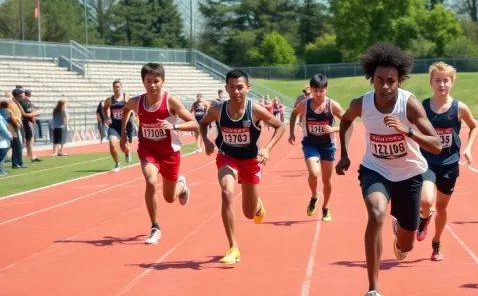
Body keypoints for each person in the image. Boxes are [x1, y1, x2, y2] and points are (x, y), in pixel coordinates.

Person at [336, 42, 441, 296]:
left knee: (406, 245)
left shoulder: (410, 104)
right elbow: (346, 121)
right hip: (376, 169)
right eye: (380, 81)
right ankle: (373, 291)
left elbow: (437, 144)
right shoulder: (362, 103)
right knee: (376, 212)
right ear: (372, 79)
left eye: (391, 81)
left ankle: (402, 233)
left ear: (400, 81)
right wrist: (345, 154)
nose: (385, 87)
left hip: (409, 174)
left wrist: (408, 131)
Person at [199, 69, 286, 264]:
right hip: (226, 156)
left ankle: (257, 205)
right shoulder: (217, 110)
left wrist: (268, 149)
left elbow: (281, 126)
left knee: (249, 213)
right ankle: (233, 247)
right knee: (227, 192)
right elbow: (203, 123)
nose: (236, 91)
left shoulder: (254, 110)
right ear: (226, 88)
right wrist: (205, 140)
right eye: (232, 87)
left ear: (248, 88)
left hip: (250, 161)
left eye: (240, 87)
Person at [119, 63, 199, 245]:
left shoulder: (171, 101)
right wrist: (124, 134)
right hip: (148, 150)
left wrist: (174, 126)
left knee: (169, 197)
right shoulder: (136, 102)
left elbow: (194, 124)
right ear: (143, 82)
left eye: (156, 81)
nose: (153, 85)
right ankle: (155, 227)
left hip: (170, 152)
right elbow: (125, 110)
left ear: (163, 82)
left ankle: (182, 187)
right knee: (151, 181)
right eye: (149, 81)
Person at [416, 62, 478, 261]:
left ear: (452, 82)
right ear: (431, 82)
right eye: (438, 80)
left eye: (446, 80)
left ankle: (436, 242)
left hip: (450, 163)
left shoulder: (459, 107)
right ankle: (424, 218)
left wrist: (468, 148)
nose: (442, 84)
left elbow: (474, 126)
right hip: (427, 161)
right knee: (426, 200)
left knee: (442, 207)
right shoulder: (423, 106)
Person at [288, 74, 345, 222]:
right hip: (310, 143)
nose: (318, 94)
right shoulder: (305, 104)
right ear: (311, 89)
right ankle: (314, 195)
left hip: (328, 146)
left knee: (327, 180)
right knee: (314, 172)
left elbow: (347, 122)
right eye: (315, 90)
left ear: (326, 89)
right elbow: (294, 114)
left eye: (321, 90)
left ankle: (325, 207)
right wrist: (292, 132)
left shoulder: (332, 105)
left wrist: (334, 129)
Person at [104, 80, 134, 172]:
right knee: (112, 145)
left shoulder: (127, 97)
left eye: (118, 87)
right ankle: (117, 164)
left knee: (123, 147)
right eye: (115, 87)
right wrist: (107, 117)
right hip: (114, 126)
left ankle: (127, 152)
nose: (117, 89)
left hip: (125, 126)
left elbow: (133, 107)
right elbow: (105, 108)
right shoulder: (110, 100)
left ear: (121, 87)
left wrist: (132, 113)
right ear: (113, 88)